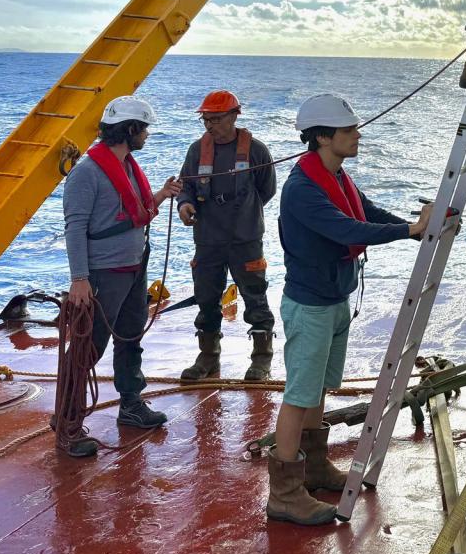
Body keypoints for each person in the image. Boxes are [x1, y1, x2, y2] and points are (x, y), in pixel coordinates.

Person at [265, 93, 433, 525]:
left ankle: (316, 468)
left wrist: (412, 228)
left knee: (318, 389)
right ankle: (283, 494)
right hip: (311, 305)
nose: (357, 135)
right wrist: (408, 230)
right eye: (348, 130)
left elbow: (366, 211)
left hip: (334, 299)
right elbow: (345, 229)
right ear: (323, 137)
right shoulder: (302, 189)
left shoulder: (336, 177)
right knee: (299, 396)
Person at [60, 95, 182, 457]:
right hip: (103, 274)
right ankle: (67, 421)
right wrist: (79, 278)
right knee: (89, 344)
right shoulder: (87, 173)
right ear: (129, 130)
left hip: (133, 268)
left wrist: (161, 195)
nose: (146, 135)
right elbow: (75, 227)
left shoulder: (127, 167)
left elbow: (132, 213)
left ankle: (131, 404)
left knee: (130, 336)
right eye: (143, 128)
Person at [177, 90, 279, 382]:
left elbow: (266, 190)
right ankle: (208, 356)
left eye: (216, 119)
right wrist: (185, 204)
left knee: (254, 297)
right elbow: (187, 185)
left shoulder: (256, 151)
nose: (210, 125)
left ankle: (261, 359)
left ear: (234, 116)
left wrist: (243, 212)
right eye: (206, 120)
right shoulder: (197, 150)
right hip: (208, 238)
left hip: (245, 238)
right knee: (206, 297)